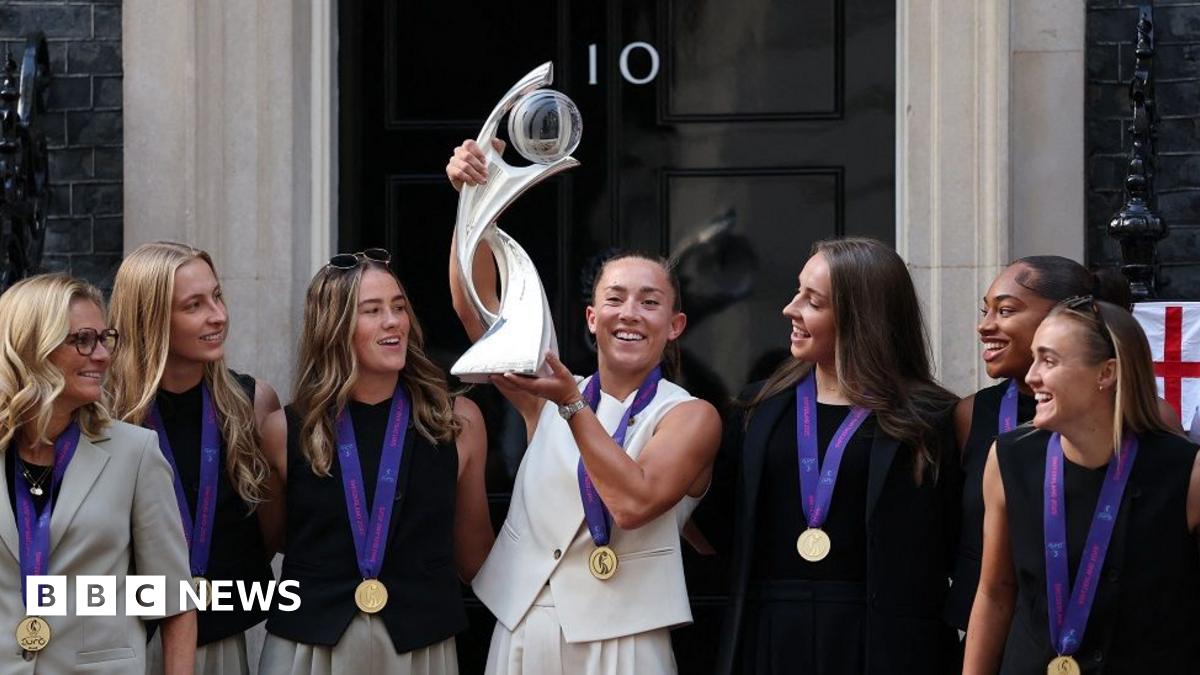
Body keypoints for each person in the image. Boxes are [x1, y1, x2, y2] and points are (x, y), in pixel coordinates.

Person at [446, 140, 722, 674]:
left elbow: (633, 502)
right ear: (592, 318)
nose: (631, 314)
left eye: (650, 302)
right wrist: (473, 201)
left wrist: (572, 405)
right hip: (527, 625)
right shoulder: (548, 391)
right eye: (615, 299)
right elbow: (475, 309)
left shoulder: (689, 415)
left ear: (674, 326)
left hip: (628, 637)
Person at [710, 238, 961, 674]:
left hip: (883, 643)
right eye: (797, 292)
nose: (790, 309)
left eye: (813, 301)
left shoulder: (932, 418)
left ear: (861, 317)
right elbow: (715, 526)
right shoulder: (757, 408)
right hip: (770, 636)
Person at [259, 249, 491, 675]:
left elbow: (474, 557)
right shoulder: (281, 431)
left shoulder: (459, 423)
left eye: (399, 307)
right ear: (334, 327)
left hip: (422, 649)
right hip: (308, 651)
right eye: (373, 310)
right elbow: (272, 540)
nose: (393, 322)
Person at [964, 297, 1200, 673]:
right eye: (1034, 358)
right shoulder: (1009, 458)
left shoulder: (1186, 471)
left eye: (1049, 360)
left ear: (1106, 373)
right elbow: (995, 593)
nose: (1031, 376)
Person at [947, 257, 1181, 633]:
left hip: (1105, 637)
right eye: (985, 310)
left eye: (1005, 310)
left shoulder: (1148, 421)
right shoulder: (970, 415)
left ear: (1065, 317)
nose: (985, 325)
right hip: (1004, 636)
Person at [0, 274, 196, 674]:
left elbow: (174, 602)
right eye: (82, 340)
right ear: (31, 347)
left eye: (105, 338)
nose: (103, 355)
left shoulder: (135, 452)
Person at [108, 242, 283, 673]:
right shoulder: (102, 415)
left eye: (217, 296)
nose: (218, 315)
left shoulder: (252, 403)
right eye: (194, 305)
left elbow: (272, 536)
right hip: (121, 640)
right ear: (151, 319)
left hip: (219, 642)